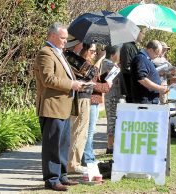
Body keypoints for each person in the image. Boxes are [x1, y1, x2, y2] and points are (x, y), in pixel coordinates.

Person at [34, 22, 84, 191]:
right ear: (53, 36)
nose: (65, 41)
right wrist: (72, 84)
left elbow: (64, 74)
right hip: (52, 106)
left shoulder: (59, 53)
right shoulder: (45, 53)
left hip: (62, 106)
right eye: (62, 38)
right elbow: (48, 79)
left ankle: (62, 176)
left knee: (63, 144)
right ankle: (52, 179)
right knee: (52, 145)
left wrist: (78, 82)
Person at [64, 40, 96, 174]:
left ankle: (72, 162)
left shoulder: (68, 56)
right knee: (79, 130)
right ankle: (73, 163)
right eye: (92, 51)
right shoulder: (70, 56)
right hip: (80, 98)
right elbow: (91, 73)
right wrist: (99, 59)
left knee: (78, 130)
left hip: (81, 97)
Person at [81, 44, 111, 166]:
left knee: (90, 130)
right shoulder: (85, 64)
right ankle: (87, 157)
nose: (94, 54)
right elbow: (92, 83)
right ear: (85, 51)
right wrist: (106, 85)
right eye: (92, 51)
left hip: (94, 101)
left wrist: (106, 76)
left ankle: (88, 155)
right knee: (89, 131)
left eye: (95, 52)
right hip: (91, 100)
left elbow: (95, 78)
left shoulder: (90, 64)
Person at [130, 40, 168, 104]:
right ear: (150, 50)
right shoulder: (141, 59)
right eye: (157, 53)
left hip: (149, 99)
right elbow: (142, 79)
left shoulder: (146, 59)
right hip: (145, 100)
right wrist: (160, 88)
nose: (158, 56)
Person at [101, 45, 121, 154]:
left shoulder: (109, 63)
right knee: (112, 120)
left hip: (113, 95)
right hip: (112, 96)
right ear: (113, 54)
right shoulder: (107, 64)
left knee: (114, 120)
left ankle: (112, 145)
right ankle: (110, 146)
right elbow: (117, 72)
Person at [119, 27, 147, 103]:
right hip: (130, 87)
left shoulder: (133, 46)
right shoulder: (127, 46)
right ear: (137, 32)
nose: (144, 36)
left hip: (135, 87)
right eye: (143, 33)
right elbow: (126, 67)